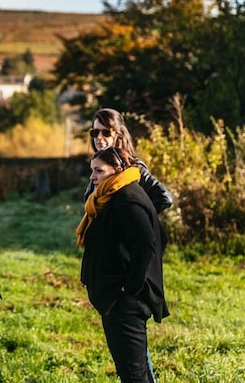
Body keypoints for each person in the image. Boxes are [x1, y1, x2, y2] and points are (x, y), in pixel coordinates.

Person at [77, 145, 168, 382]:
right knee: (134, 371)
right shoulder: (115, 195)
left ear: (117, 169)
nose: (92, 176)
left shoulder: (127, 198)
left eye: (98, 170)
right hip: (118, 300)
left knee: (133, 374)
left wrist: (129, 288)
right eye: (92, 170)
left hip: (125, 302)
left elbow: (149, 243)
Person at [85, 108, 173, 214]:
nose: (99, 137)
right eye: (95, 132)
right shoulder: (97, 168)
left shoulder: (131, 167)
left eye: (106, 132)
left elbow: (164, 197)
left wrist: (136, 219)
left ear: (118, 135)